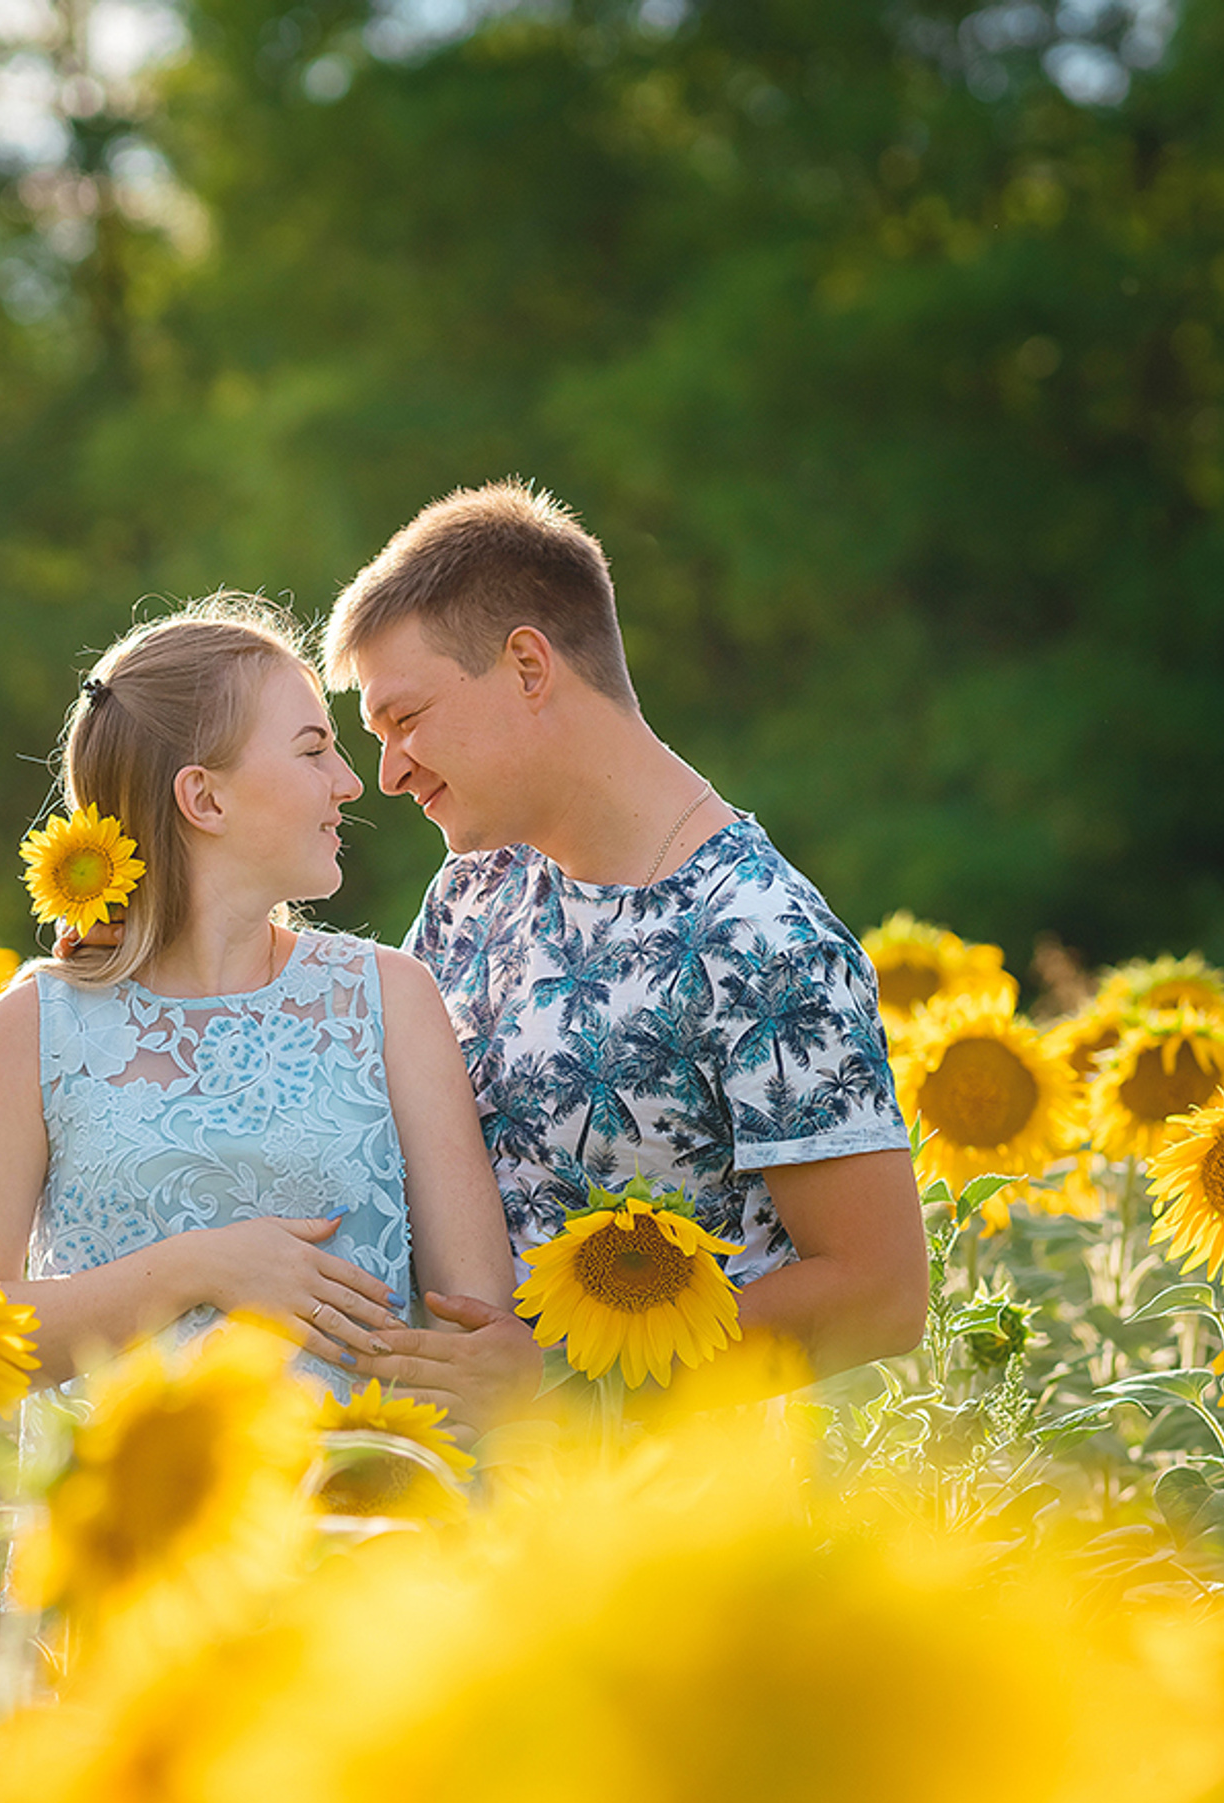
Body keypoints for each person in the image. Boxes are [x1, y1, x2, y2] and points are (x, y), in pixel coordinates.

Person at [321, 481, 929, 1412]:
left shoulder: (765, 939)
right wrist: (146, 955)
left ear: (528, 665)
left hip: (675, 1526)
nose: (390, 772)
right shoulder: (471, 894)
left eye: (405, 721)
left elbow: (880, 1294)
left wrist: (564, 1386)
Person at [0, 597, 525, 1415]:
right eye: (314, 749)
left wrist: (504, 1375)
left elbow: (475, 1328)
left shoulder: (391, 997)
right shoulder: (32, 1028)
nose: (350, 782)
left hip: (361, 1524)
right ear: (205, 799)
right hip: (122, 1531)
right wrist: (198, 1269)